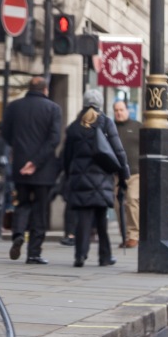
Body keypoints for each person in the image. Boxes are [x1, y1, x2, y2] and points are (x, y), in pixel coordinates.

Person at [1, 76, 62, 265]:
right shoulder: (53, 109)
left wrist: (22, 156)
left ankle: (18, 234)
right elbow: (54, 139)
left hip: (20, 166)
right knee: (40, 209)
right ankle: (34, 252)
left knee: (22, 203)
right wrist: (35, 162)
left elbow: (5, 134)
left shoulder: (14, 107)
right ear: (46, 90)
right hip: (43, 169)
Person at [62, 98, 129, 268]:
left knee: (83, 219)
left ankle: (80, 255)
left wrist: (69, 176)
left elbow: (67, 156)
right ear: (100, 104)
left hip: (80, 179)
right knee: (101, 220)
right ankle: (104, 256)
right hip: (102, 179)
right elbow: (118, 151)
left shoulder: (74, 126)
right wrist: (123, 175)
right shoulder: (106, 123)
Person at [113, 99, 141, 248]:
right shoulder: (110, 128)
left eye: (121, 110)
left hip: (135, 173)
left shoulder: (137, 126)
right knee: (118, 205)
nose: (119, 113)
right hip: (117, 174)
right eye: (116, 110)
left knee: (131, 201)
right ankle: (124, 235)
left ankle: (133, 235)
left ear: (127, 110)